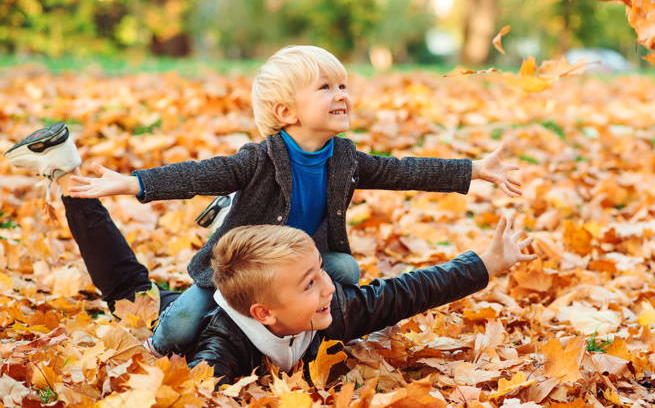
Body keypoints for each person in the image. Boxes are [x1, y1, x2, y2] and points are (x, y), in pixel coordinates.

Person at [30, 46, 521, 357]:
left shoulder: (345, 157)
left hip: (300, 260)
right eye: (325, 87)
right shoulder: (260, 158)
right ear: (286, 111)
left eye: (344, 84)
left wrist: (476, 170)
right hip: (245, 268)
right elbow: (200, 173)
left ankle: (285, 284)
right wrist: (131, 183)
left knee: (344, 272)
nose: (342, 93)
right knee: (178, 328)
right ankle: (169, 321)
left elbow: (404, 170)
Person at [4, 122, 535, 384]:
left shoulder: (332, 308)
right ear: (265, 314)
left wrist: (487, 264)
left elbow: (406, 290)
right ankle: (64, 169)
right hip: (191, 306)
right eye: (310, 283)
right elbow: (207, 383)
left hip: (248, 270)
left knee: (348, 272)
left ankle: (237, 212)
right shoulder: (226, 345)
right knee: (130, 294)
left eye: (317, 274)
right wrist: (130, 183)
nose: (329, 287)